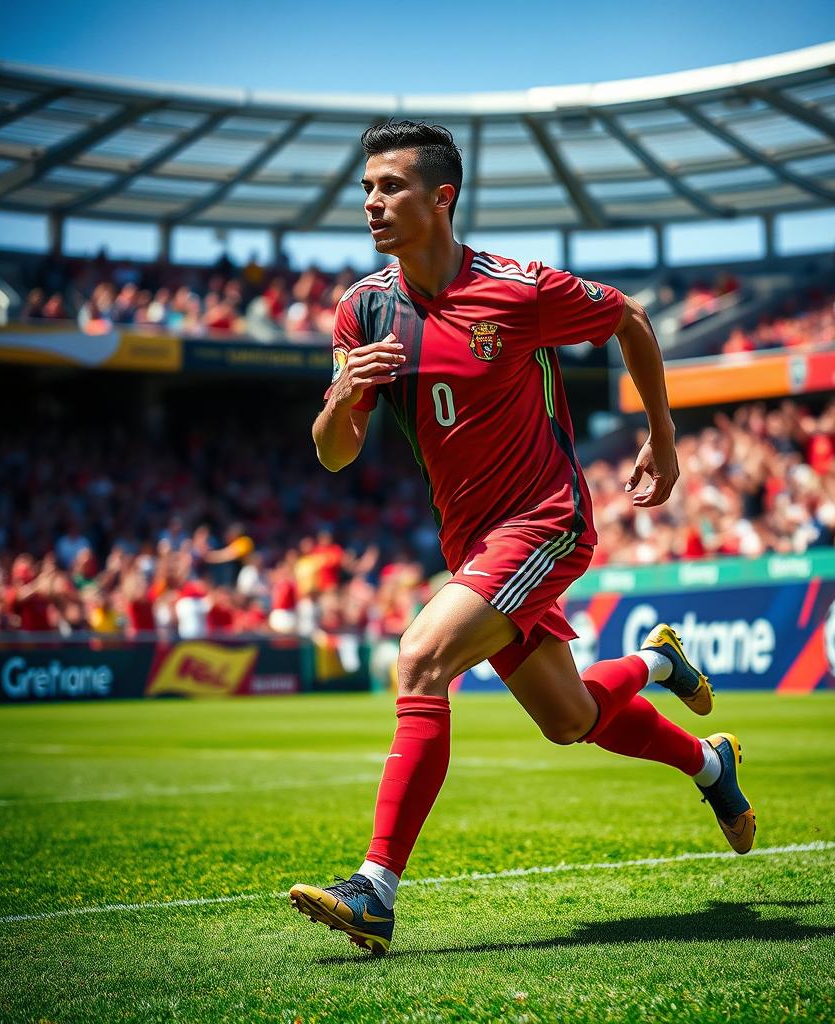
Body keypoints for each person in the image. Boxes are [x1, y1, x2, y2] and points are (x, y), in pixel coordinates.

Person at [289, 121, 755, 955]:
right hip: (471, 546)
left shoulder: (518, 288)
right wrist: (340, 397)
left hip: (546, 518)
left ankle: (376, 890)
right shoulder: (362, 309)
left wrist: (664, 440)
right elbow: (335, 455)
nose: (371, 203)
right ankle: (691, 728)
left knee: (421, 656)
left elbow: (632, 319)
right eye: (365, 188)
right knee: (571, 719)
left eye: (390, 186)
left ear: (442, 198)